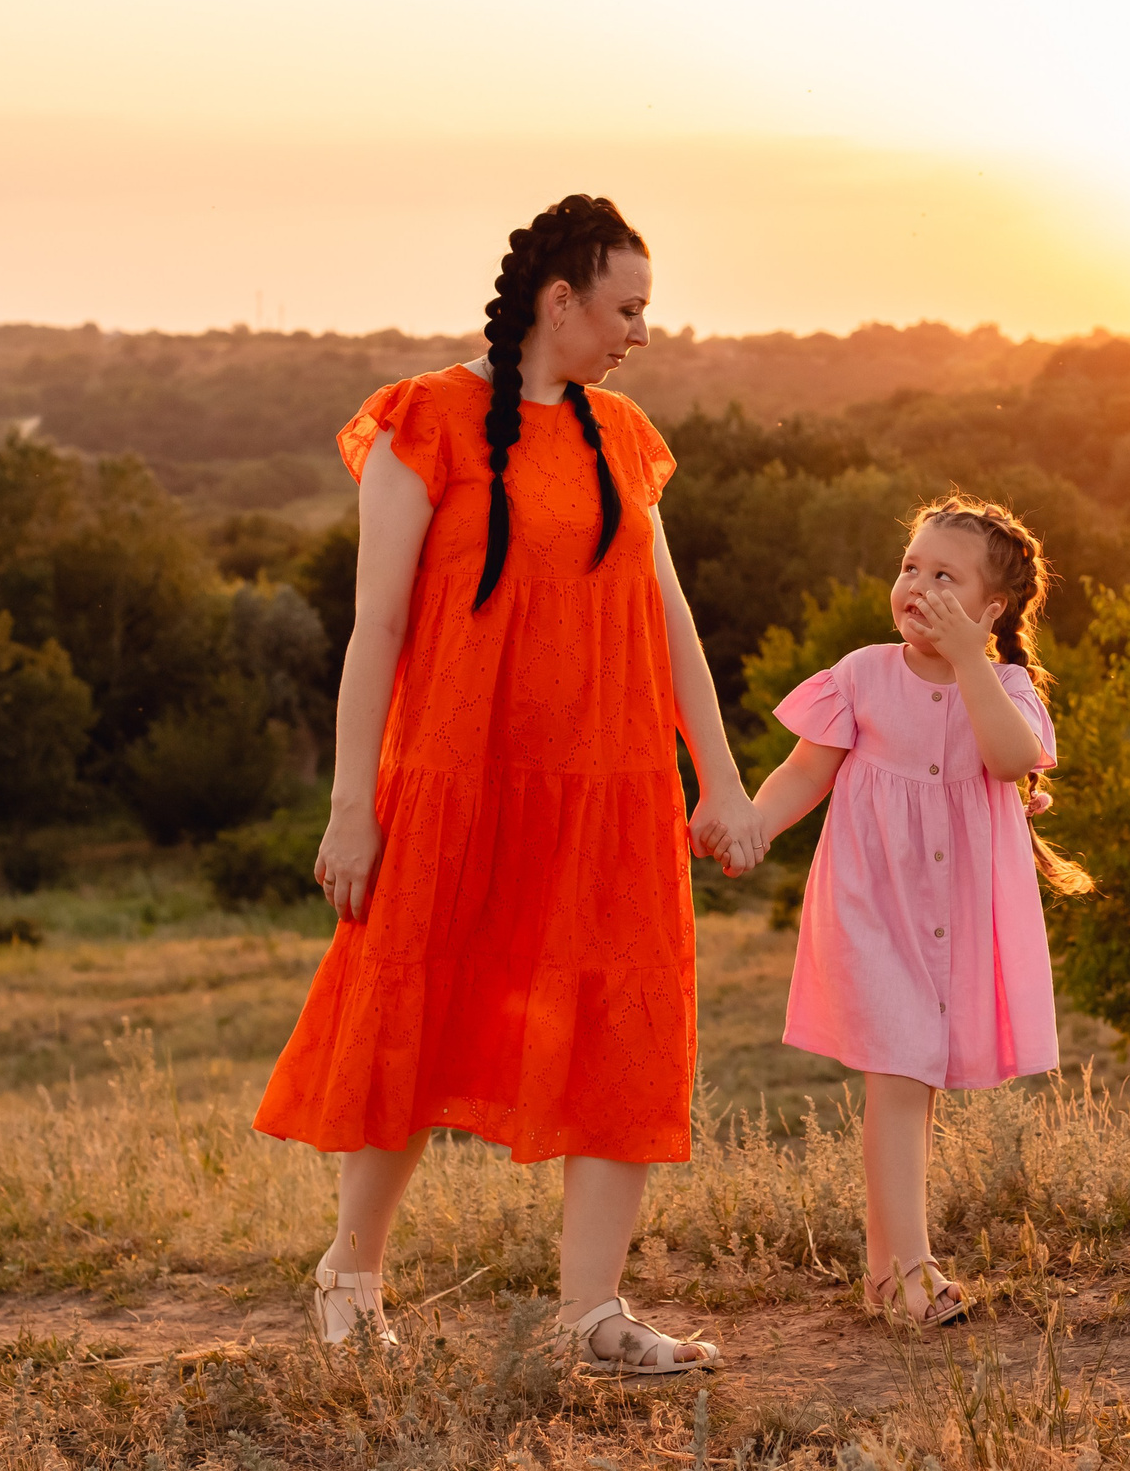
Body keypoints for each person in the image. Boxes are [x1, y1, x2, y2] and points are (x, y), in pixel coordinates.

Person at [252, 195, 767, 1373]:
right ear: (560, 301)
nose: (641, 331)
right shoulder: (422, 423)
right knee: (415, 1019)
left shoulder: (626, 437)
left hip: (612, 780)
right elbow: (373, 628)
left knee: (619, 1021)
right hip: (457, 777)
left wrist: (720, 782)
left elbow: (670, 618)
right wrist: (350, 805)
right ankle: (350, 1278)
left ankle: (592, 1313)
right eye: (628, 308)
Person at [743, 494, 1090, 1325]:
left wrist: (972, 660)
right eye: (910, 567)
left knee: (916, 1077)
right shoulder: (862, 673)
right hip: (874, 906)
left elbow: (1010, 759)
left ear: (991, 608)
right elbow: (803, 772)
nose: (917, 585)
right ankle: (904, 1276)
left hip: (960, 920)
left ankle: (890, 1268)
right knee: (898, 1075)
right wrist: (752, 824)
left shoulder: (1003, 686)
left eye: (945, 576)